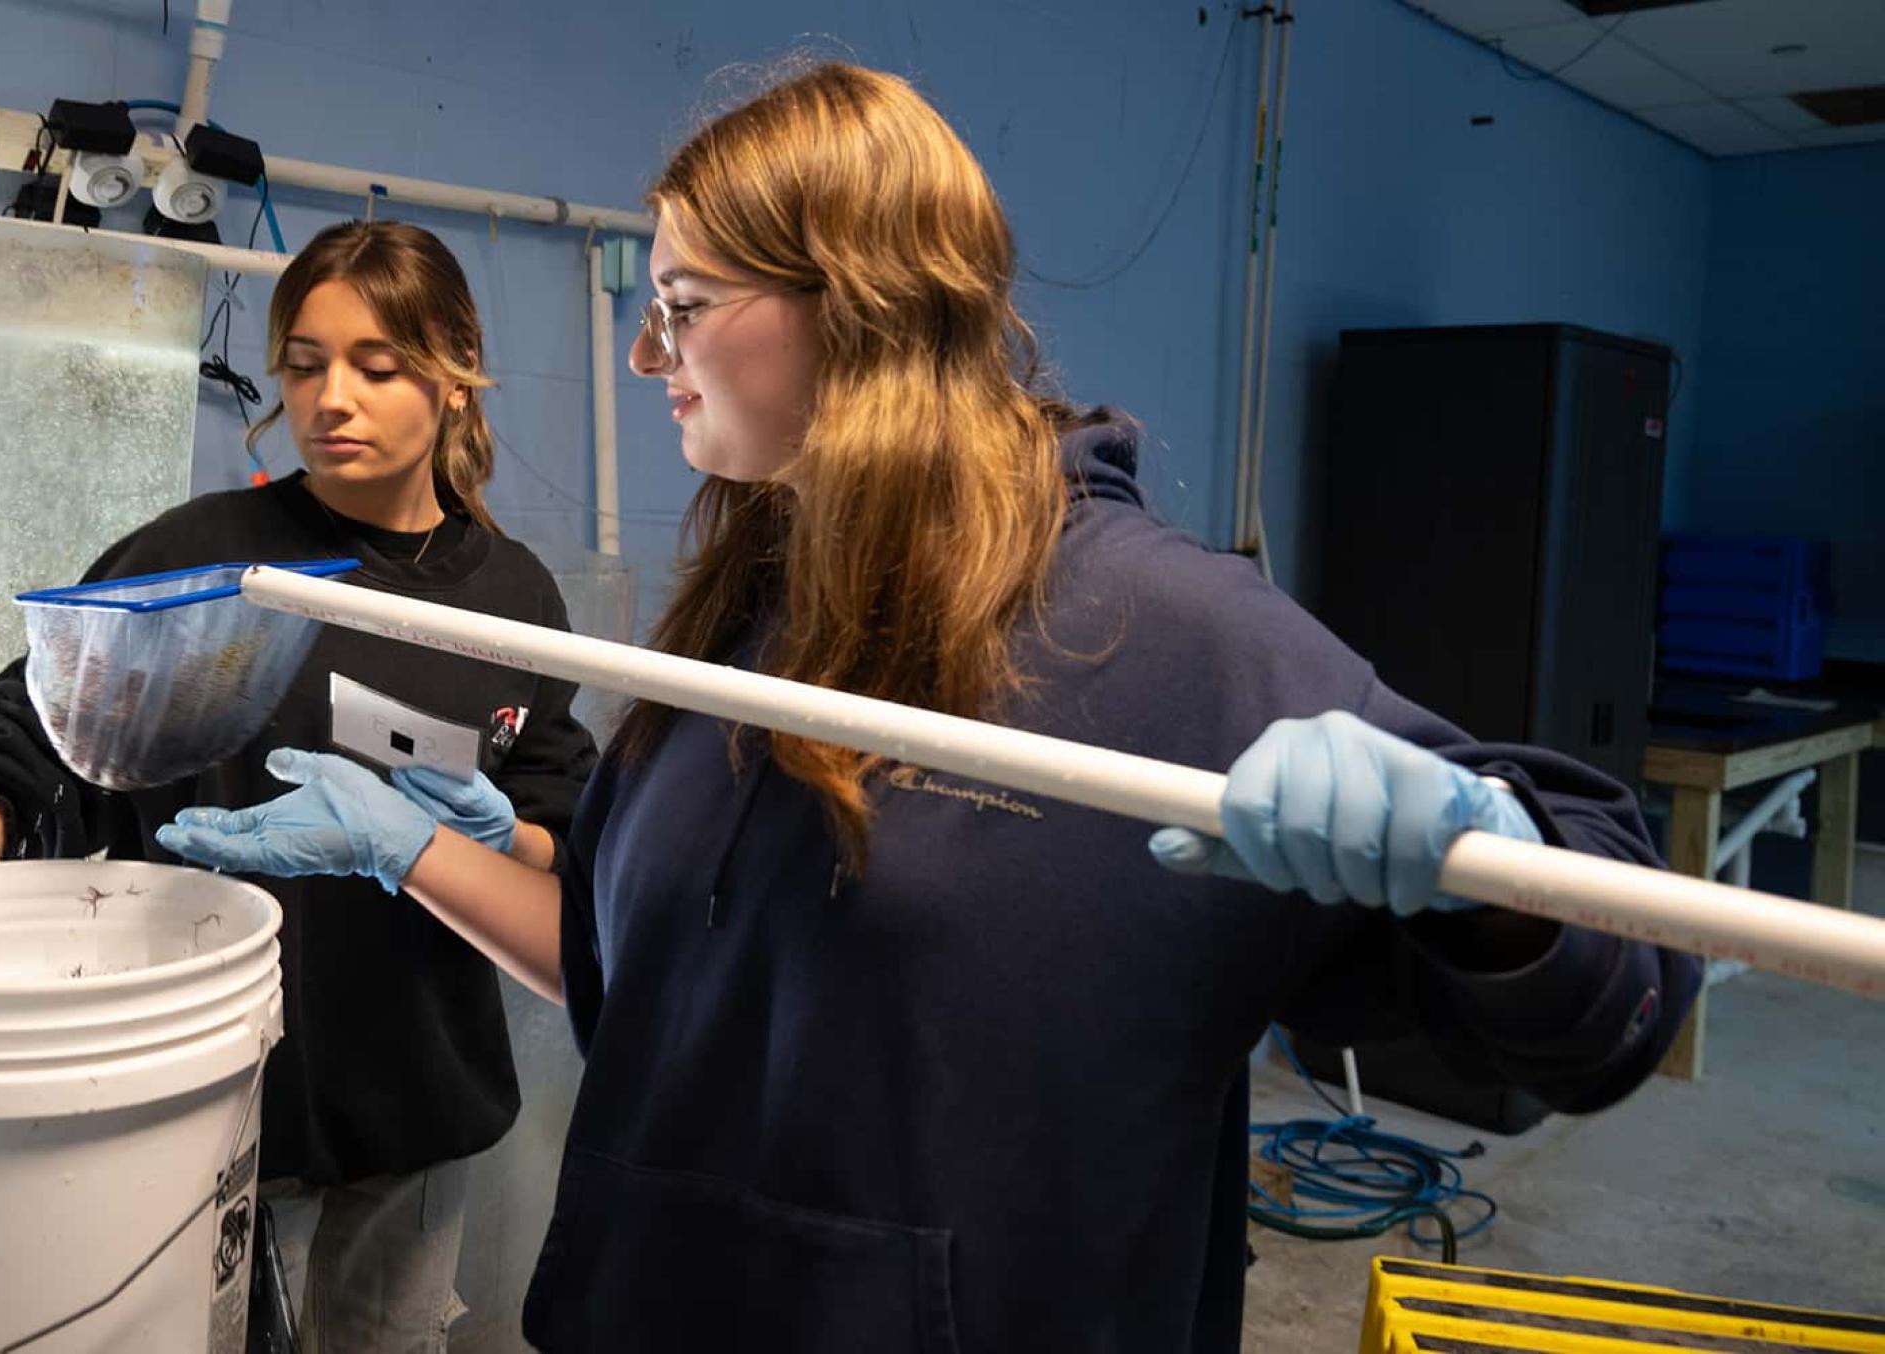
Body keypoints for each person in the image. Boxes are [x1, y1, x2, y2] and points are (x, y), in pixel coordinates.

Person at [151, 63, 1703, 1351]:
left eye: (683, 301)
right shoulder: (745, 622)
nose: (645, 350)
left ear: (857, 305)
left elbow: (1616, 1000)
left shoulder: (1155, 635)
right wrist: (405, 850)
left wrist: (1489, 874)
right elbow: (638, 1001)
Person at [0, 219, 600, 1353]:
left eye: (376, 366)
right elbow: (18, 763)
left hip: (412, 1112)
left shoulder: (512, 600)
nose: (328, 397)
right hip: (193, 1103)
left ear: (453, 382)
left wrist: (496, 842)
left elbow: (546, 826)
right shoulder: (202, 560)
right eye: (302, 364)